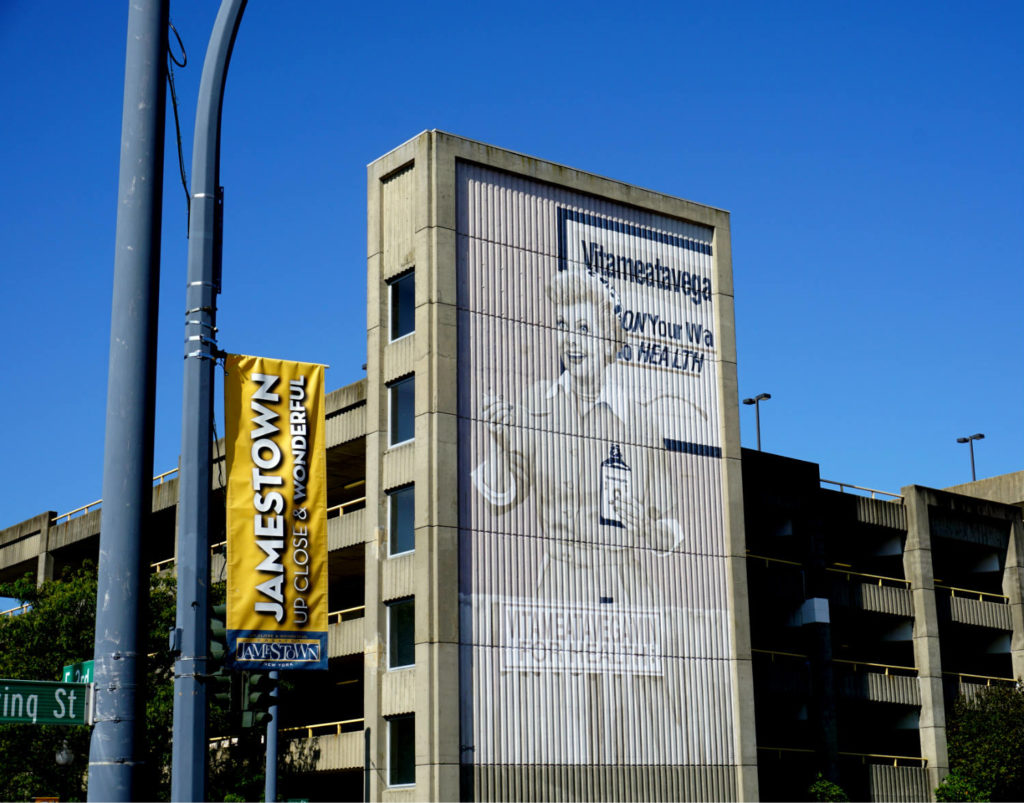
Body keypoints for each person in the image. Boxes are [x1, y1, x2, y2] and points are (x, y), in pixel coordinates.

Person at [466, 268, 728, 766]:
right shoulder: (536, 406)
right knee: (557, 729)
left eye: (583, 329)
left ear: (610, 341)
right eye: (563, 328)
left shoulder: (641, 423)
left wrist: (651, 532)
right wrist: (503, 442)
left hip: (626, 586)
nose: (571, 340)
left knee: (634, 726)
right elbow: (500, 499)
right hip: (561, 583)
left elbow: (673, 524)